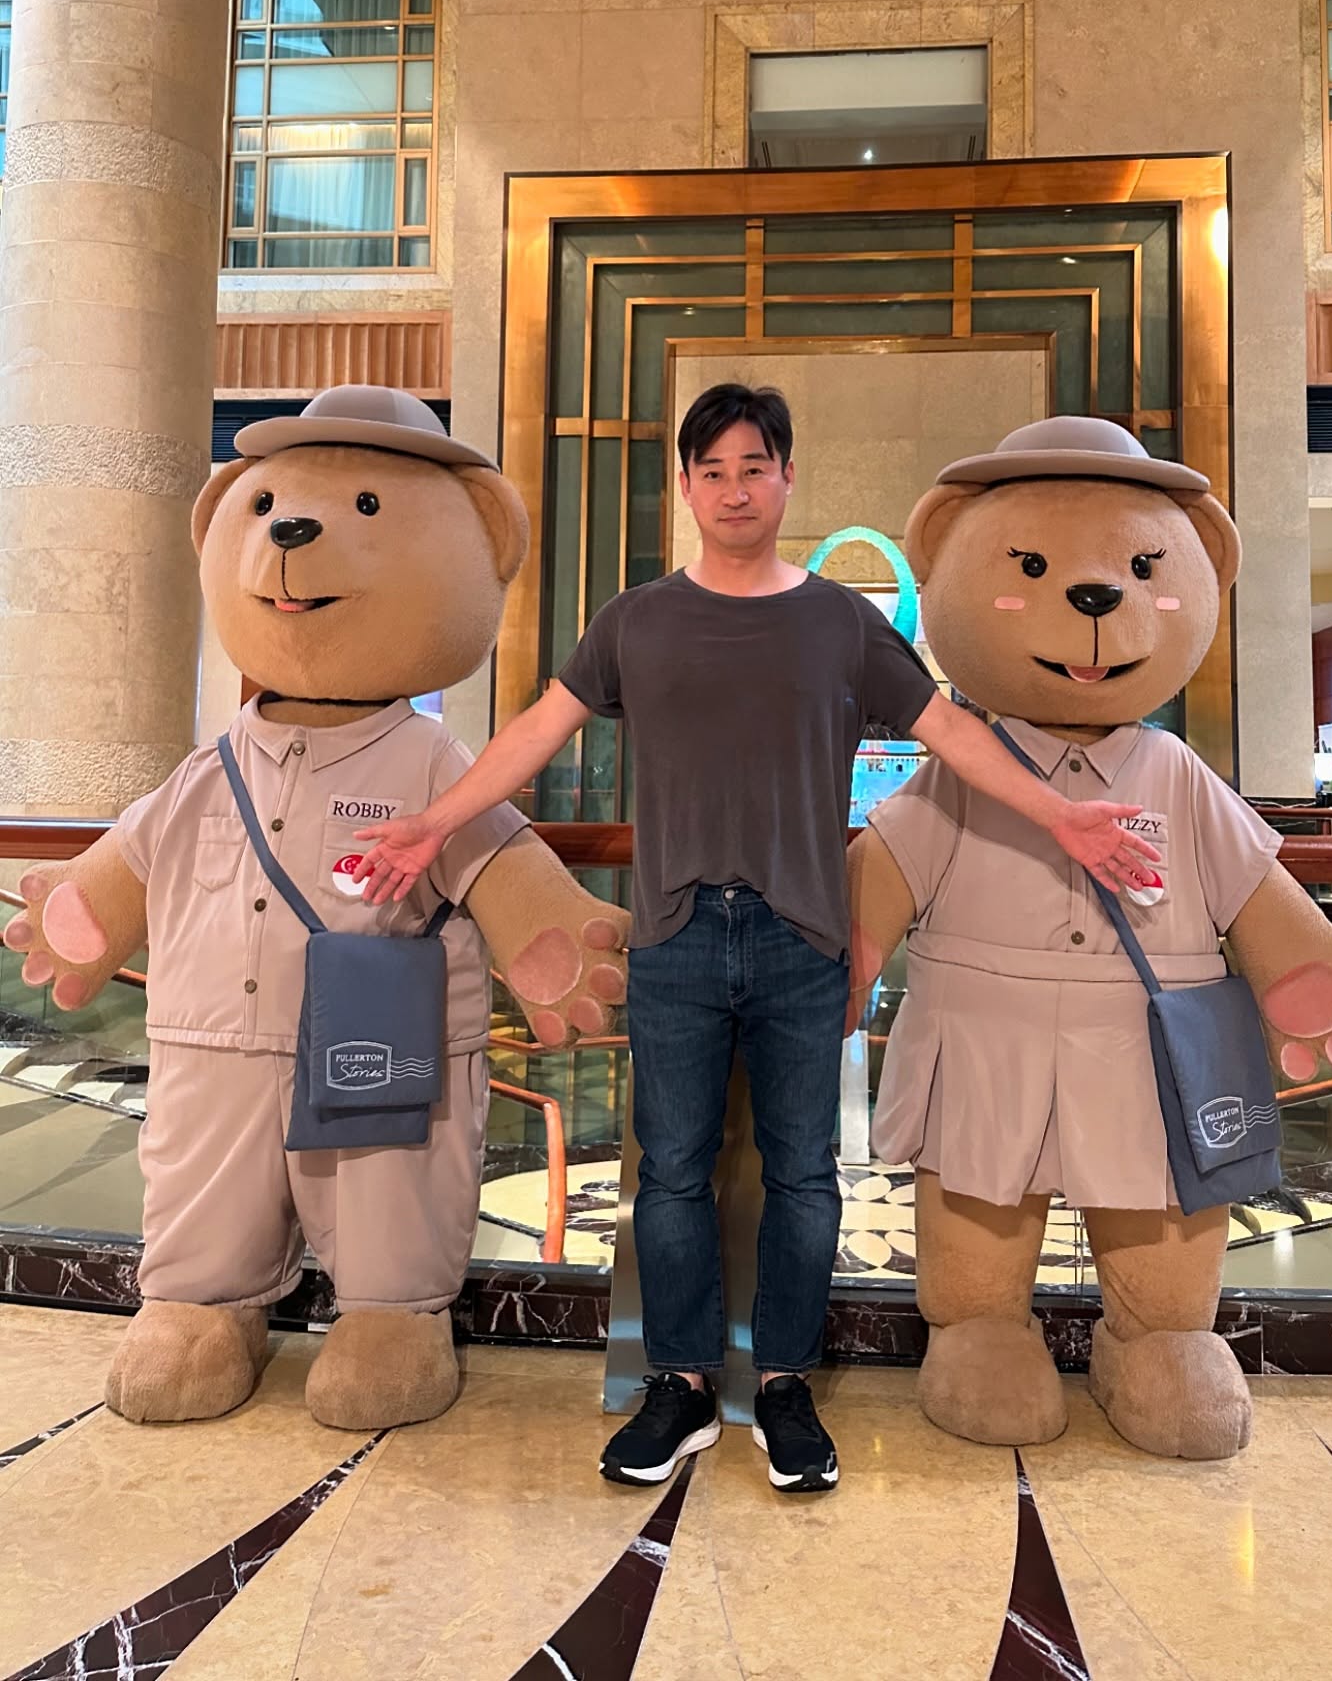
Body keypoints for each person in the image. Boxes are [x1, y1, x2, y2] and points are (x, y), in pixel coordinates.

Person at [353, 383, 1160, 1496]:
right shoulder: (636, 620)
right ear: (687, 488)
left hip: (802, 936)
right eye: (714, 471)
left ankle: (783, 1383)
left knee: (805, 1175)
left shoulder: (840, 623)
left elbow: (951, 735)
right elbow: (536, 731)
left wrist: (1062, 815)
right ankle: (680, 1383)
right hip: (675, 936)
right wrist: (434, 823)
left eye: (754, 468)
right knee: (671, 1175)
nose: (734, 489)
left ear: (786, 479)